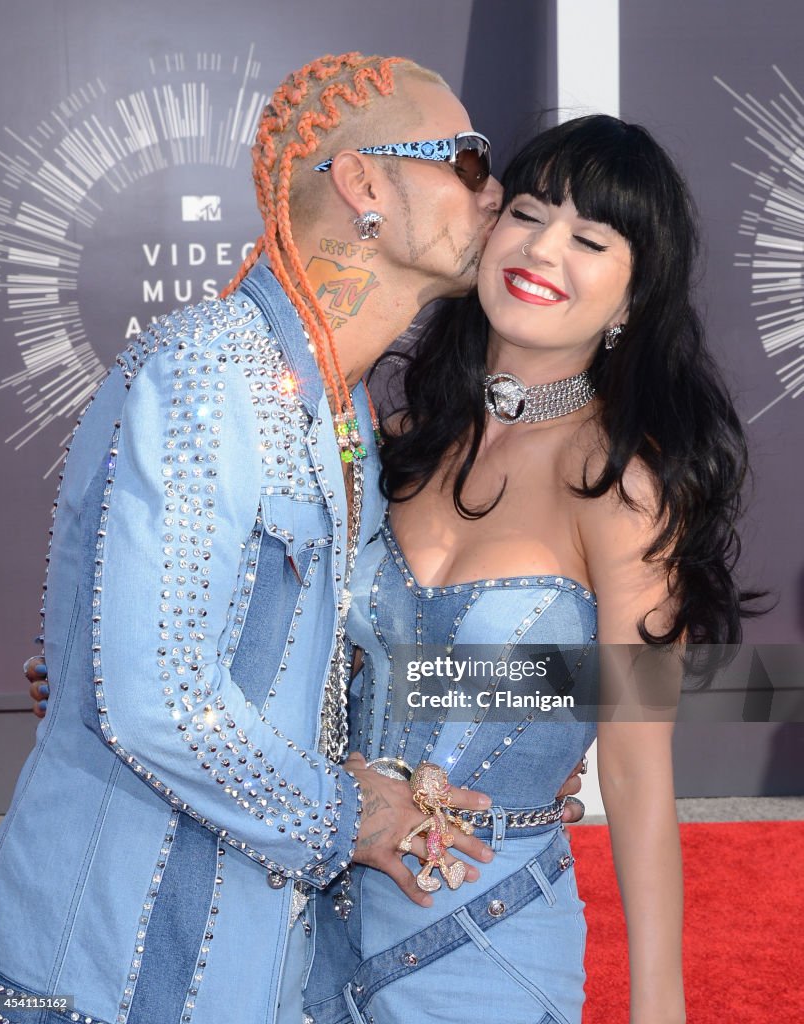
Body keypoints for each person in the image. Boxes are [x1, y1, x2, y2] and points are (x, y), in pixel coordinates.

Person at [0, 53, 587, 1024]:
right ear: (363, 185)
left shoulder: (340, 404)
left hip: (250, 965)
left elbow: (331, 652)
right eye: (468, 162)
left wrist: (527, 743)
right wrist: (358, 812)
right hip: (105, 971)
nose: (497, 194)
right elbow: (158, 703)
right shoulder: (205, 372)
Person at [302, 115, 757, 1024]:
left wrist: (657, 1008)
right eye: (526, 212)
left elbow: (632, 767)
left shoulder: (622, 487)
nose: (543, 247)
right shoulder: (393, 442)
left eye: (589, 238)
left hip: (483, 936)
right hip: (309, 915)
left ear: (631, 299)